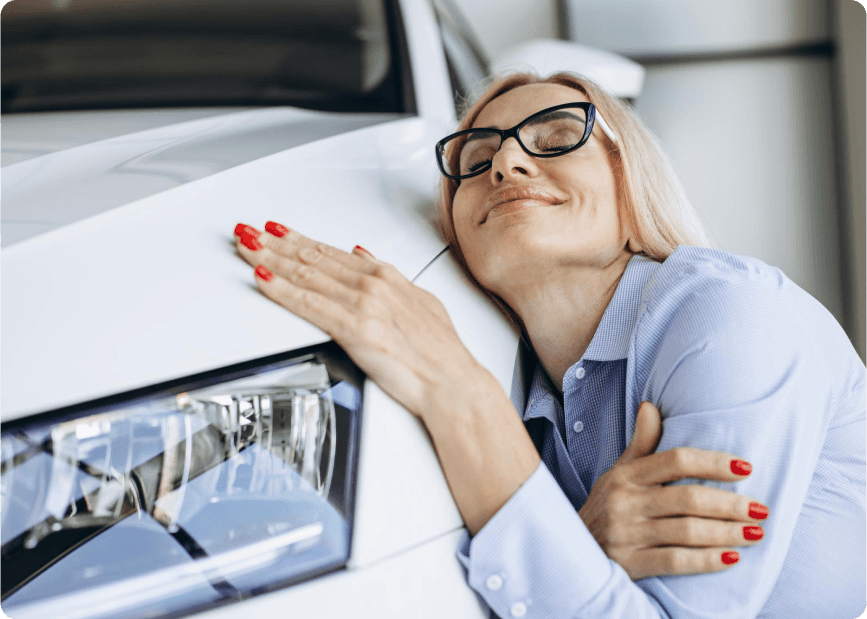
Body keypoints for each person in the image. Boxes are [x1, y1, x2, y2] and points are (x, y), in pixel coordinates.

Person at [230, 71, 866, 618]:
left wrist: (457, 389)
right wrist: (581, 534)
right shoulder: (531, 403)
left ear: (629, 178)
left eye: (559, 138)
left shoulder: (731, 315)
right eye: (475, 161)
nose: (505, 163)